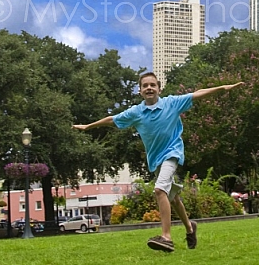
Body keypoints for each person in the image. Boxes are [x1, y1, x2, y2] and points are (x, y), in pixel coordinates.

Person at [73, 72, 243, 252]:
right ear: (140, 91)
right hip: (155, 160)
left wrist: (223, 88)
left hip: (172, 153)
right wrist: (88, 126)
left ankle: (166, 237)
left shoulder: (172, 103)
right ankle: (190, 228)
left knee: (160, 190)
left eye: (152, 85)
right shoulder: (136, 112)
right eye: (145, 85)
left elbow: (198, 94)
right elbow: (112, 120)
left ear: (159, 89)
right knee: (173, 198)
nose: (149, 88)